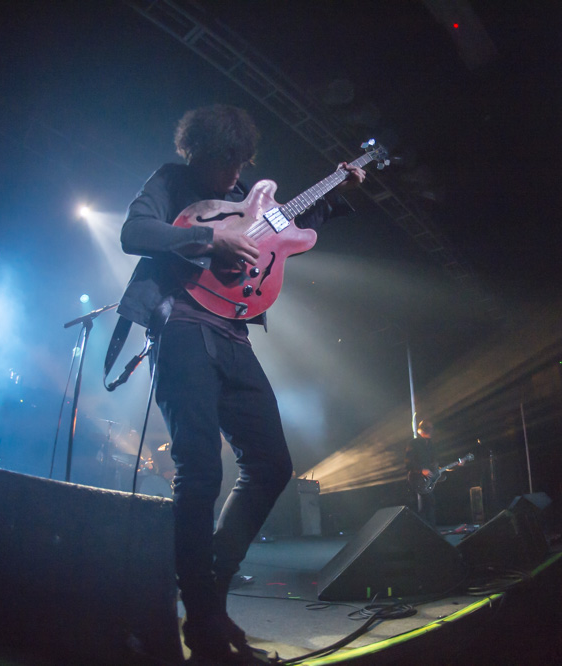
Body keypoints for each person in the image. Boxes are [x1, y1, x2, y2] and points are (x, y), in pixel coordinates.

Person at [117, 104, 365, 662]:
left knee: (272, 465)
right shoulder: (170, 181)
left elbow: (286, 229)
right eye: (225, 163)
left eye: (240, 164)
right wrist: (211, 242)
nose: (234, 174)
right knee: (200, 470)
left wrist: (335, 191)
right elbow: (133, 232)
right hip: (181, 324)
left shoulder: (246, 193)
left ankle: (210, 591)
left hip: (233, 333)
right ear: (196, 153)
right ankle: (204, 619)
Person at [405, 419, 439, 528]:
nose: (430, 431)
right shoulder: (414, 443)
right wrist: (421, 470)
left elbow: (437, 461)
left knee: (429, 504)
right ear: (422, 430)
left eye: (431, 428)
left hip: (428, 480)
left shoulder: (431, 445)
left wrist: (457, 462)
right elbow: (408, 462)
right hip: (416, 479)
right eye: (428, 428)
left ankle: (431, 530)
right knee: (418, 505)